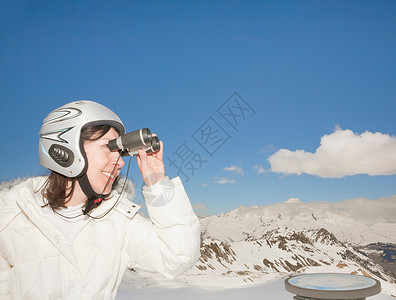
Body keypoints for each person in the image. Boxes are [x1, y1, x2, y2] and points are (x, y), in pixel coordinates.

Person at [0, 100, 200, 299]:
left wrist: (156, 182)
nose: (120, 162)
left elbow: (178, 258)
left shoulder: (116, 219)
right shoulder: (9, 218)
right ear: (65, 150)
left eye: (120, 151)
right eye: (109, 147)